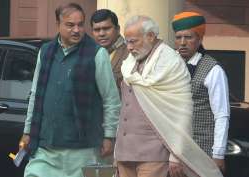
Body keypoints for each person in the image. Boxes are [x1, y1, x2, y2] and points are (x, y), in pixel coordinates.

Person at [18, 3, 121, 177]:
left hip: (84, 149)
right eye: (70, 25)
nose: (76, 30)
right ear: (58, 24)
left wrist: (109, 136)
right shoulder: (46, 52)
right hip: (45, 146)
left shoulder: (96, 54)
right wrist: (27, 131)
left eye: (80, 24)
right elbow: (36, 94)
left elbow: (111, 99)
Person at [114, 15, 223, 177]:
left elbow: (182, 112)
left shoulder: (171, 63)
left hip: (154, 154)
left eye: (133, 41)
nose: (129, 47)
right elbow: (125, 111)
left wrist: (176, 154)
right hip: (125, 152)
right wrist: (117, 153)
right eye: (127, 41)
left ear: (150, 36)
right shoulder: (129, 63)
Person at [172, 11, 230, 174]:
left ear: (200, 39)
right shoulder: (169, 65)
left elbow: (221, 115)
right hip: (172, 148)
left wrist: (218, 153)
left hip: (202, 148)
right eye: (178, 37)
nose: (182, 43)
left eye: (188, 37)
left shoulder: (213, 69)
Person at [90, 9, 129, 91]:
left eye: (106, 28)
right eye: (97, 30)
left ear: (117, 29)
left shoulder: (130, 53)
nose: (101, 34)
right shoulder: (89, 54)